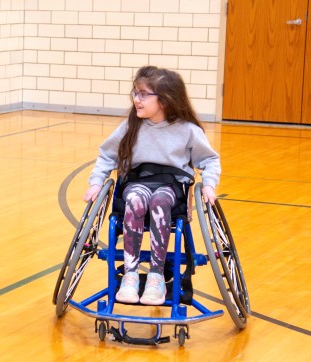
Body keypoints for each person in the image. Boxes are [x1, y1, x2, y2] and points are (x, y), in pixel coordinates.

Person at [84, 66, 220, 305]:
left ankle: (156, 275)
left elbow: (209, 160)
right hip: (137, 183)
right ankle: (131, 274)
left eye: (144, 94)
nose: (137, 99)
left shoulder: (188, 130)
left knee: (160, 201)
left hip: (171, 188)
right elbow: (107, 155)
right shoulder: (131, 127)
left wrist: (209, 185)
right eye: (135, 93)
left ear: (165, 100)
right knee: (136, 198)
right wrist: (96, 183)